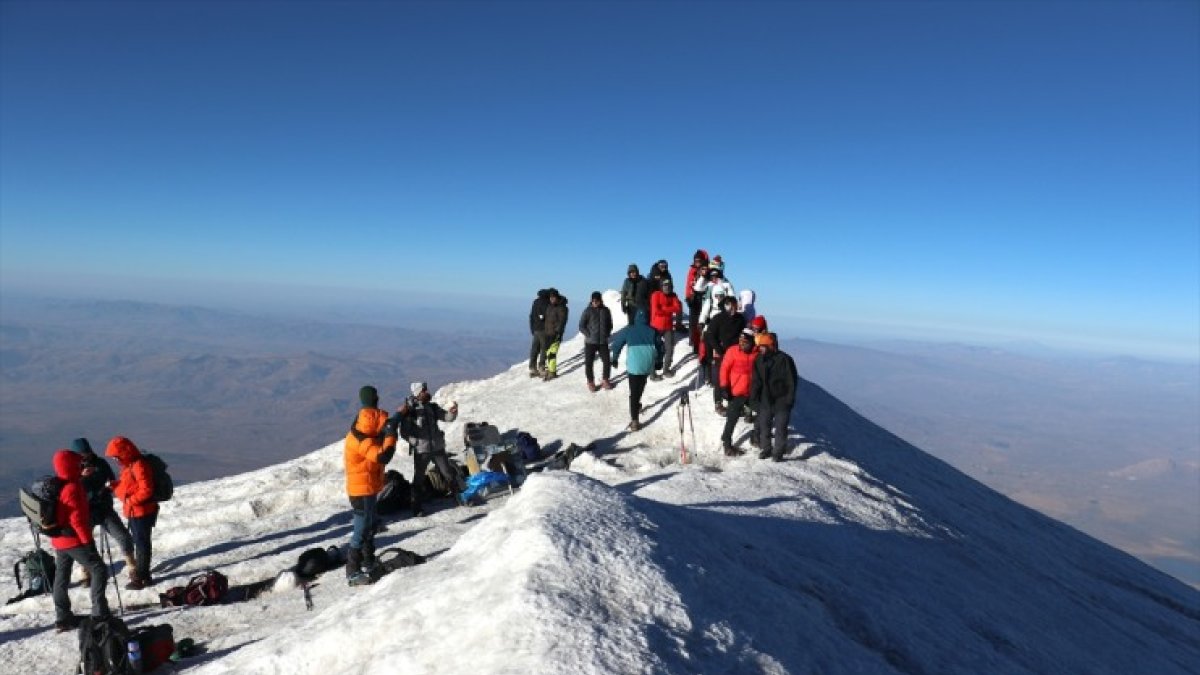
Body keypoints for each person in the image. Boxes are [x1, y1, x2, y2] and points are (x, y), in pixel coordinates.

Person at [48, 449, 111, 631]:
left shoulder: (58, 484)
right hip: (74, 540)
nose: (81, 466)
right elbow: (78, 520)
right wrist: (88, 542)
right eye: (78, 463)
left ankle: (63, 617)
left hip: (59, 539)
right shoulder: (73, 488)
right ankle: (100, 613)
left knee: (61, 577)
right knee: (99, 569)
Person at [343, 385, 399, 585]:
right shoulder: (360, 438)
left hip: (367, 488)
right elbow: (383, 456)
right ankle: (352, 571)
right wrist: (392, 434)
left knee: (370, 526)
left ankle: (368, 562)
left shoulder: (363, 427)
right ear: (375, 401)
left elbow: (381, 430)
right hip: (361, 490)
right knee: (361, 529)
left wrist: (398, 417)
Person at [72, 438, 134, 586]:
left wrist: (107, 488)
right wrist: (83, 477)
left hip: (104, 507)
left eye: (87, 452)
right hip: (86, 511)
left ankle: (132, 566)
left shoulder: (101, 464)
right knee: (84, 542)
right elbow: (71, 490)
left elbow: (113, 480)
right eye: (82, 454)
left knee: (123, 536)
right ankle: (87, 572)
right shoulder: (73, 469)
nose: (85, 456)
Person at [399, 382, 464, 515]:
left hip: (437, 447)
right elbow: (404, 432)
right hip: (422, 450)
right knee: (419, 478)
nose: (427, 392)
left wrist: (453, 413)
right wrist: (416, 442)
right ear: (417, 393)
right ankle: (416, 507)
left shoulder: (432, 407)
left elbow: (447, 417)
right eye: (424, 390)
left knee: (448, 473)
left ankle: (460, 498)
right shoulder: (410, 411)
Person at [105, 436, 159, 590]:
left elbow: (146, 489)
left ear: (124, 453)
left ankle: (142, 577)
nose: (115, 459)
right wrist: (115, 485)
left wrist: (131, 501)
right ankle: (143, 576)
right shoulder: (129, 465)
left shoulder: (139, 465)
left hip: (141, 512)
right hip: (135, 511)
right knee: (140, 543)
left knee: (142, 544)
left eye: (116, 456)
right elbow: (129, 485)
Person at [751, 332, 799, 462]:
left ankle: (778, 452)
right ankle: (766, 449)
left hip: (782, 400)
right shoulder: (759, 359)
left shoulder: (785, 360)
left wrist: (789, 400)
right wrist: (753, 397)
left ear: (771, 346)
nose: (760, 349)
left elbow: (791, 381)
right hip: (765, 400)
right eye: (760, 346)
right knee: (764, 426)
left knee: (781, 428)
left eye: (763, 346)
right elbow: (756, 380)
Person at [610, 309, 657, 432]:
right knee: (640, 387)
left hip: (634, 366)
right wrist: (658, 362)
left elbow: (617, 343)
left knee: (634, 393)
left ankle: (634, 420)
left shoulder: (629, 329)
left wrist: (614, 358)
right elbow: (660, 347)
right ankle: (637, 405)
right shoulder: (652, 331)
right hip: (647, 365)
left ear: (635, 318)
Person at [718, 329, 759, 456]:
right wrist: (724, 386)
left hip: (752, 392)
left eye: (745, 342)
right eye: (740, 341)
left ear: (752, 342)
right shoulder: (732, 351)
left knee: (763, 412)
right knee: (732, 417)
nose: (742, 344)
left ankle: (756, 437)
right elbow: (724, 368)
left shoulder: (756, 354)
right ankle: (727, 444)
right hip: (736, 392)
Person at [705, 295, 746, 414]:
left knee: (733, 377)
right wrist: (718, 349)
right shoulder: (718, 318)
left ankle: (732, 402)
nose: (732, 308)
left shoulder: (740, 319)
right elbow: (710, 335)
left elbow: (743, 335)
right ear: (725, 306)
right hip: (721, 353)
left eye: (734, 305)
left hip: (736, 353)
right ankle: (718, 403)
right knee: (720, 378)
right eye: (729, 305)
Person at [578, 291, 614, 392]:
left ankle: (605, 380)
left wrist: (607, 333)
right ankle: (591, 382)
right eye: (593, 301)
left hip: (603, 341)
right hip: (590, 342)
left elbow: (610, 324)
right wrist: (588, 334)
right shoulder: (587, 311)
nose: (595, 302)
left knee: (607, 361)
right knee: (589, 363)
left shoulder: (606, 310)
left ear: (600, 300)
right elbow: (581, 325)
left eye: (596, 301)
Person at [649, 278, 683, 379]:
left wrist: (664, 308)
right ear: (661, 286)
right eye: (664, 285)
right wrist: (669, 309)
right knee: (655, 349)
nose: (667, 287)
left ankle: (666, 370)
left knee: (670, 348)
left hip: (668, 326)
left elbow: (678, 308)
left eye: (668, 286)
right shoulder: (656, 295)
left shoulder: (673, 295)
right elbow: (656, 310)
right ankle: (652, 373)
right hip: (656, 326)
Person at [684, 249, 710, 353]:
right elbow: (688, 283)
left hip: (704, 299)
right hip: (693, 299)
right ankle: (694, 343)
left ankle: (703, 345)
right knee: (693, 322)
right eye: (696, 260)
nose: (697, 262)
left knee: (703, 322)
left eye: (699, 260)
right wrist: (687, 296)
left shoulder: (707, 269)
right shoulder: (692, 270)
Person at [542, 289, 569, 381]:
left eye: (553, 297)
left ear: (557, 297)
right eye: (551, 297)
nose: (552, 299)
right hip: (548, 333)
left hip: (555, 334)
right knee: (548, 352)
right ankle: (550, 370)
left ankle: (552, 372)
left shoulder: (562, 308)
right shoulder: (550, 306)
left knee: (552, 353)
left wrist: (557, 333)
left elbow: (562, 322)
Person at [528, 289, 551, 377]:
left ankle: (532, 367)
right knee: (544, 348)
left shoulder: (535, 302)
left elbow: (531, 316)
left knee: (535, 348)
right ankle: (541, 367)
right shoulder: (546, 303)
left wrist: (532, 328)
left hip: (536, 329)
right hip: (544, 329)